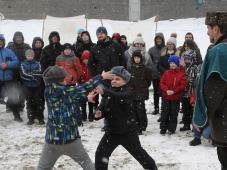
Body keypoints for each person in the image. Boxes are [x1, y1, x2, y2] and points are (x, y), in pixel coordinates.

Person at [37, 65, 114, 170]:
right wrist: (101, 76)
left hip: (52, 140)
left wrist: (86, 98)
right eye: (64, 78)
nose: (66, 80)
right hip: (71, 139)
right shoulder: (60, 90)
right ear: (59, 80)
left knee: (42, 167)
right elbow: (83, 87)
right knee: (86, 163)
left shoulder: (50, 90)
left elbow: (69, 98)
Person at [94, 66, 158, 170]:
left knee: (141, 156)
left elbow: (120, 97)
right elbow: (103, 107)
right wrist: (99, 112)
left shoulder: (128, 91)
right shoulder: (110, 91)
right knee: (100, 155)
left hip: (128, 132)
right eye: (112, 79)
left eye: (117, 79)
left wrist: (106, 92)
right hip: (111, 132)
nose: (114, 81)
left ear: (125, 81)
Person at [193, 11, 227, 170]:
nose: (207, 32)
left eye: (209, 27)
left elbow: (213, 91)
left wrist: (203, 115)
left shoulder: (219, 51)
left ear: (217, 29)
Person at [159, 55, 186, 135]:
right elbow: (162, 83)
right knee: (165, 113)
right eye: (171, 63)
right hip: (166, 97)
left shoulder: (181, 73)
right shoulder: (166, 73)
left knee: (174, 113)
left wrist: (174, 91)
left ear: (177, 63)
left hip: (175, 98)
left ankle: (172, 128)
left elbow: (182, 85)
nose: (172, 64)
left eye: (174, 63)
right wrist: (166, 90)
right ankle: (163, 128)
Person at [128, 50, 152, 134]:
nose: (136, 59)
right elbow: (128, 80)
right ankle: (136, 126)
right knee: (133, 110)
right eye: (135, 57)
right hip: (132, 93)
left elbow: (148, 81)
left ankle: (142, 126)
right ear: (133, 58)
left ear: (141, 58)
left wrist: (143, 87)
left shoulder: (145, 69)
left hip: (141, 92)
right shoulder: (130, 68)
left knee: (141, 110)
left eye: (138, 57)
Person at [20, 49, 44, 125]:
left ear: (33, 56)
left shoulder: (38, 64)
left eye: (31, 55)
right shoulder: (23, 64)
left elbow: (40, 73)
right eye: (28, 55)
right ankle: (31, 118)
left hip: (36, 86)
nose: (30, 57)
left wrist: (31, 74)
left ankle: (40, 118)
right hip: (27, 87)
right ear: (26, 56)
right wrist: (33, 76)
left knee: (38, 101)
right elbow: (23, 75)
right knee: (29, 102)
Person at [0, 34, 20, 121]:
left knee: (12, 97)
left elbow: (16, 62)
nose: (0, 43)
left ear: (3, 42)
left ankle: (16, 116)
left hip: (8, 78)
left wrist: (7, 64)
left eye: (1, 41)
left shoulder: (8, 51)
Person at [148, 32, 166, 115]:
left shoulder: (166, 49)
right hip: (155, 74)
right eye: (157, 39)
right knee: (155, 92)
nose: (158, 40)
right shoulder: (151, 50)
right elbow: (149, 62)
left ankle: (163, 108)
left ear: (162, 40)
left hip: (164, 74)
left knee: (163, 92)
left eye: (160, 39)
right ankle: (156, 108)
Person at [79, 50, 95, 122]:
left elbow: (95, 75)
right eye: (84, 59)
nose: (86, 61)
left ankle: (91, 114)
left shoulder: (92, 66)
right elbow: (78, 75)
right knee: (83, 100)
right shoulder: (80, 66)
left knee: (91, 100)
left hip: (91, 85)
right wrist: (80, 79)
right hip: (82, 85)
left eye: (87, 59)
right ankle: (83, 114)